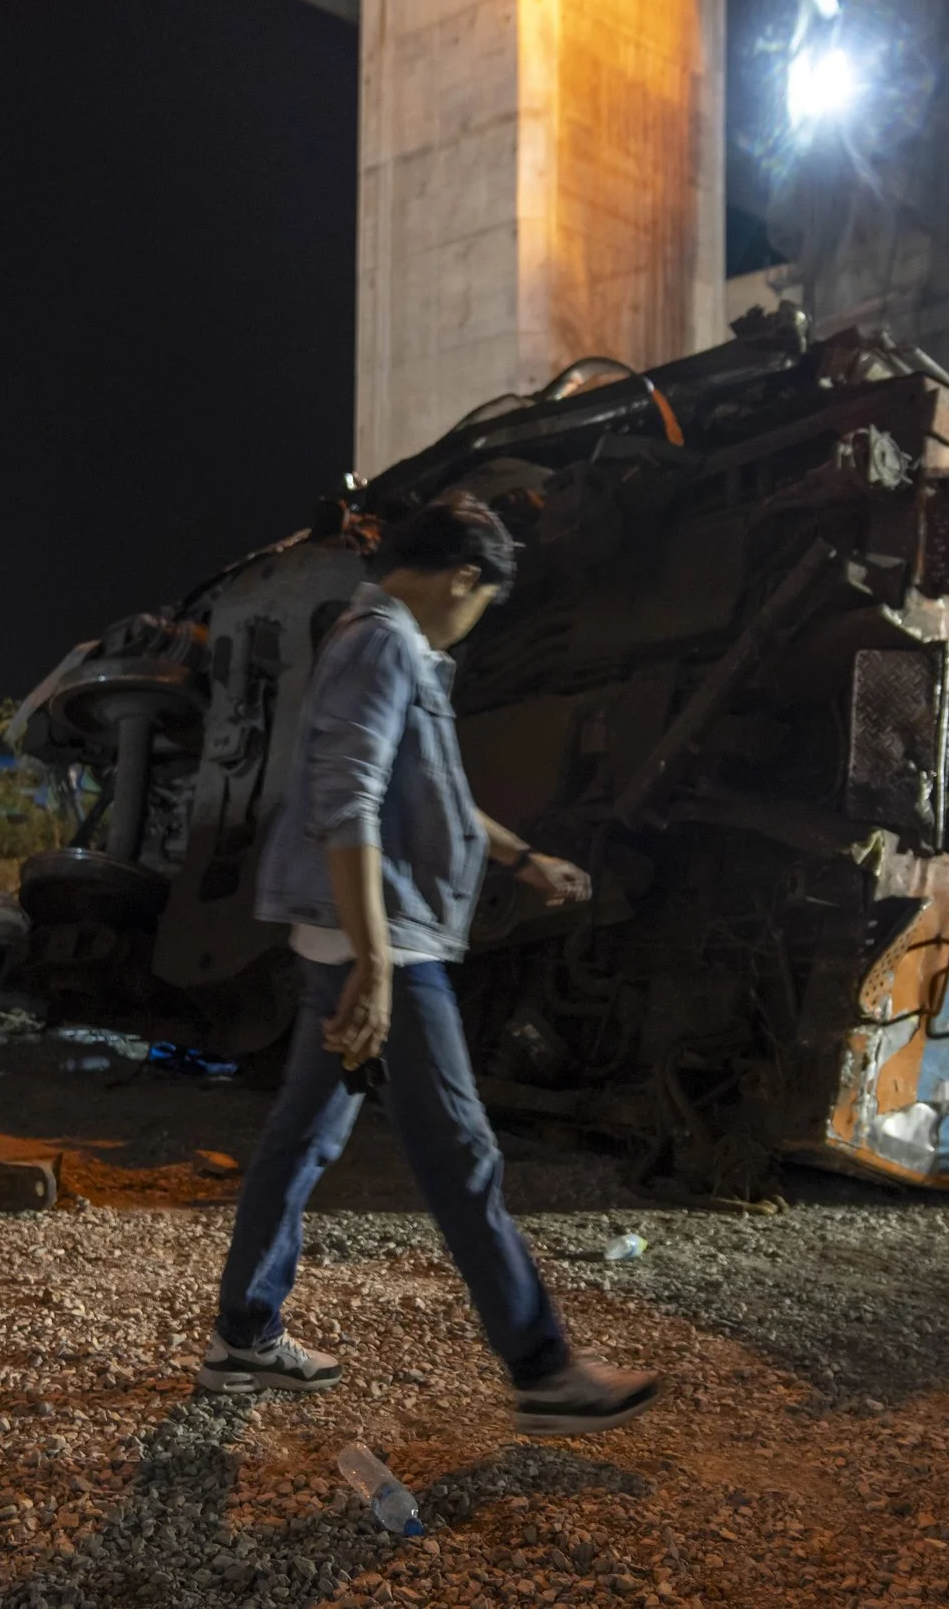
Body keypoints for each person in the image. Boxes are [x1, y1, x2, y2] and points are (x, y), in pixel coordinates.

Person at [197, 493, 661, 1436]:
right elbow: (350, 805)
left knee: (303, 1139)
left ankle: (244, 1336)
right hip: (390, 944)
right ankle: (544, 1369)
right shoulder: (381, 644)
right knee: (459, 1154)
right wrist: (375, 964)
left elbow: (431, 790)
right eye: (486, 597)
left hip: (364, 939)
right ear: (463, 577)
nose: (480, 614)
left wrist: (522, 857)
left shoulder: (389, 644)